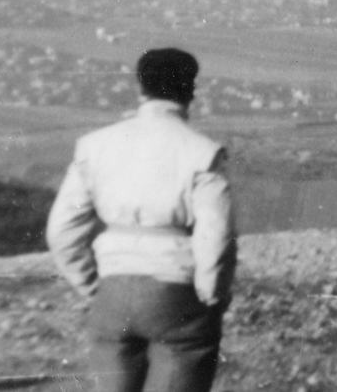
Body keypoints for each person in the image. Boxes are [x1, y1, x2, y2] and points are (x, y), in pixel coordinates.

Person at [46, 47, 236, 392]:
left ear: (140, 88)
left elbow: (61, 231)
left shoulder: (94, 146)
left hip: (112, 290)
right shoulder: (202, 151)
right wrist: (211, 293)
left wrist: (90, 285)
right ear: (190, 90)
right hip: (176, 288)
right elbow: (216, 233)